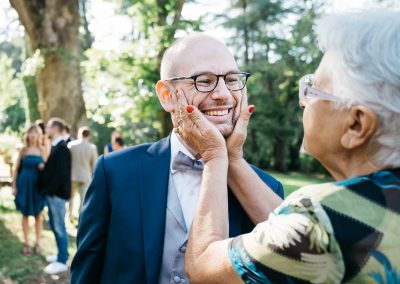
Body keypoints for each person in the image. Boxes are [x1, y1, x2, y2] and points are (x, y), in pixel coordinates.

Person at [178, 10, 400, 283]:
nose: (303, 102)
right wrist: (234, 159)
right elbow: (288, 234)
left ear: (356, 125)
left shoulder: (323, 220)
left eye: (313, 89)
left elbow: (202, 266)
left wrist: (214, 156)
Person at [71, 34, 284, 283]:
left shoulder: (268, 189)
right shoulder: (115, 172)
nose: (223, 94)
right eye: (204, 81)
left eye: (231, 80)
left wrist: (226, 157)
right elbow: (85, 274)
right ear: (166, 95)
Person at [41, 118, 72, 275]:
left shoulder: (62, 148)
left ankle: (63, 260)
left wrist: (50, 191)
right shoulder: (55, 146)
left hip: (57, 195)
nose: (46, 129)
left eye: (49, 127)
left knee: (59, 226)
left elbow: (61, 175)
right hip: (52, 194)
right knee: (54, 225)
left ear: (56, 128)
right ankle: (60, 254)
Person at [12, 124, 46, 255]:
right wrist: (14, 185)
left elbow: (48, 169)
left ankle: (38, 243)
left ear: (39, 135)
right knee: (25, 214)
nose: (33, 135)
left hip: (38, 186)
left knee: (38, 215)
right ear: (27, 135)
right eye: (31, 133)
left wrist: (43, 167)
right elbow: (16, 170)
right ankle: (26, 243)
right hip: (24, 185)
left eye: (35, 133)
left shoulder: (43, 150)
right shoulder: (23, 150)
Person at [67, 126, 98, 220]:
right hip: (85, 176)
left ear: (79, 134)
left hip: (72, 175)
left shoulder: (71, 145)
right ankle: (81, 217)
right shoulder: (92, 147)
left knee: (70, 198)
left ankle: (70, 215)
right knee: (83, 199)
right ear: (89, 136)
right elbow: (94, 164)